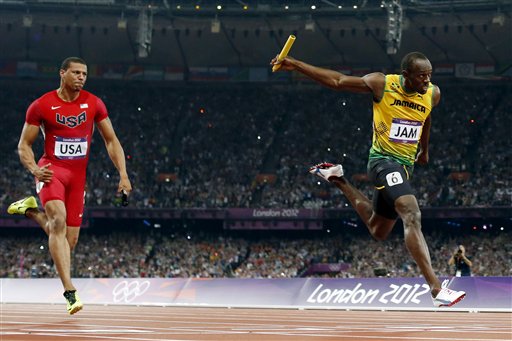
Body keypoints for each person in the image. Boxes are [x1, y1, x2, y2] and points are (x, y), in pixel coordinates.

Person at [271, 52, 466, 307]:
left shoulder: (432, 93)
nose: (427, 80)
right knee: (411, 213)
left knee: (378, 229)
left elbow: (425, 117)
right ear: (406, 74)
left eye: (430, 75)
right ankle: (436, 289)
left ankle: (338, 178)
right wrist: (295, 64)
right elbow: (338, 81)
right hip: (382, 162)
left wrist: (424, 149)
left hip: (404, 167)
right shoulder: (382, 84)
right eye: (421, 76)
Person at [7, 57, 132, 314]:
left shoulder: (94, 103)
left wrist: (123, 174)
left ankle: (30, 211)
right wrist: (34, 169)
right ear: (62, 74)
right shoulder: (41, 106)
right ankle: (70, 292)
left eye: (84, 74)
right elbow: (24, 145)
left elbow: (111, 140)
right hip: (52, 172)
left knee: (69, 241)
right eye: (75, 73)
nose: (81, 77)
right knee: (58, 221)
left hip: (78, 177)